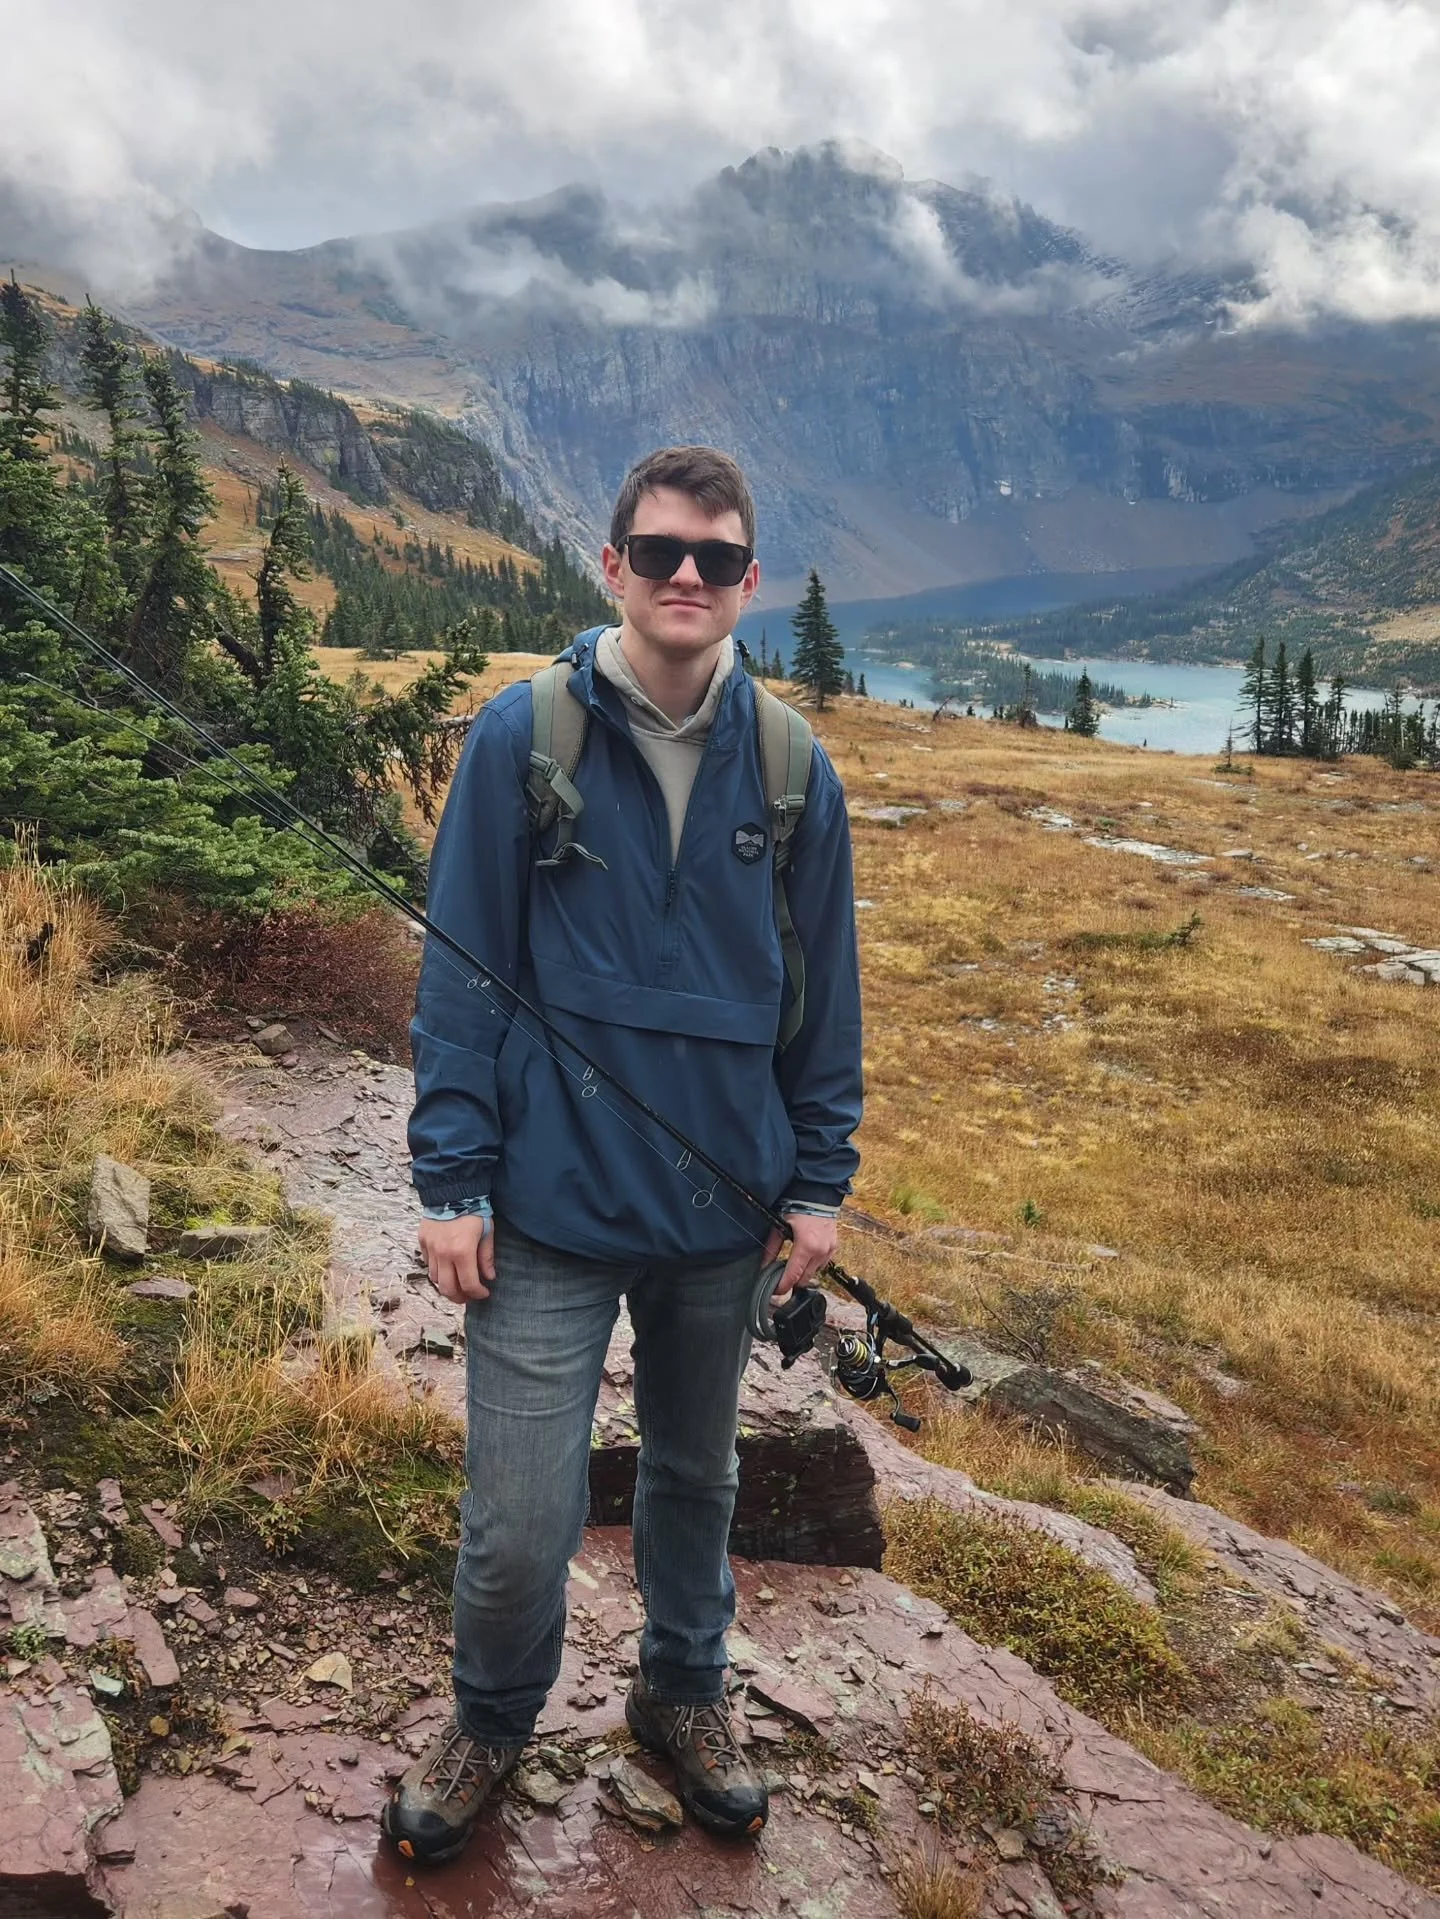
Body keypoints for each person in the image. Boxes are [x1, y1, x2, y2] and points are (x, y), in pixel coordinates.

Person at [385, 446, 863, 1866]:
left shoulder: (789, 767)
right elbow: (460, 975)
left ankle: (682, 1693)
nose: (686, 579)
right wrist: (451, 1178)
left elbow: (823, 994)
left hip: (721, 1211)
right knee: (523, 1505)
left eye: (716, 559)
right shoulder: (522, 737)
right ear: (612, 565)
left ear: (748, 582)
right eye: (660, 552)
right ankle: (490, 1716)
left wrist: (817, 1181)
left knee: (697, 1476)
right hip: (541, 1204)